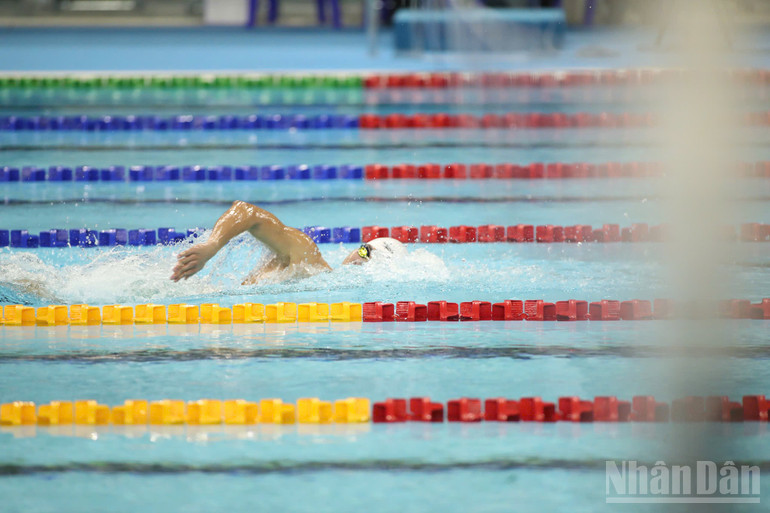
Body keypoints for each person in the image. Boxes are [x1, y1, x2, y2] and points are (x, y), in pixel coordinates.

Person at [170, 201, 407, 284]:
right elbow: (246, 211)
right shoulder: (308, 259)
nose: (361, 260)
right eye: (365, 250)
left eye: (371, 260)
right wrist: (212, 245)